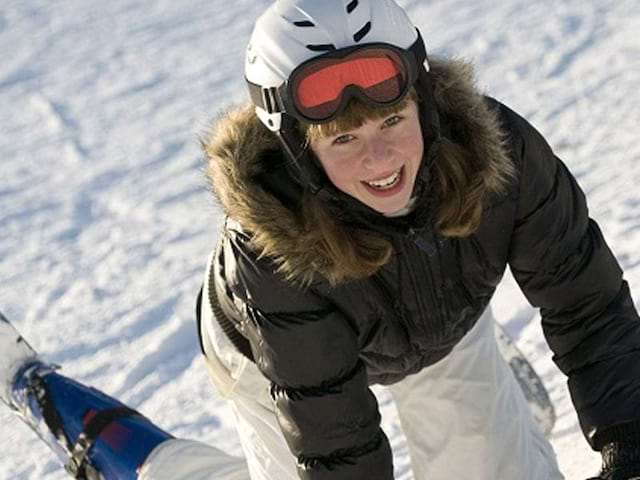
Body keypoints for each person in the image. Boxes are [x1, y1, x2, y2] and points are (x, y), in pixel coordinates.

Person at [196, 0, 640, 479]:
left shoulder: (496, 156)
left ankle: (499, 411)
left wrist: (631, 440)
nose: (380, 159)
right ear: (296, 149)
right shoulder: (271, 250)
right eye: (343, 139)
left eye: (392, 121)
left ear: (425, 102)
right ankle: (142, 454)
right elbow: (336, 447)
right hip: (275, 364)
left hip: (440, 320)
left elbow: (588, 305)